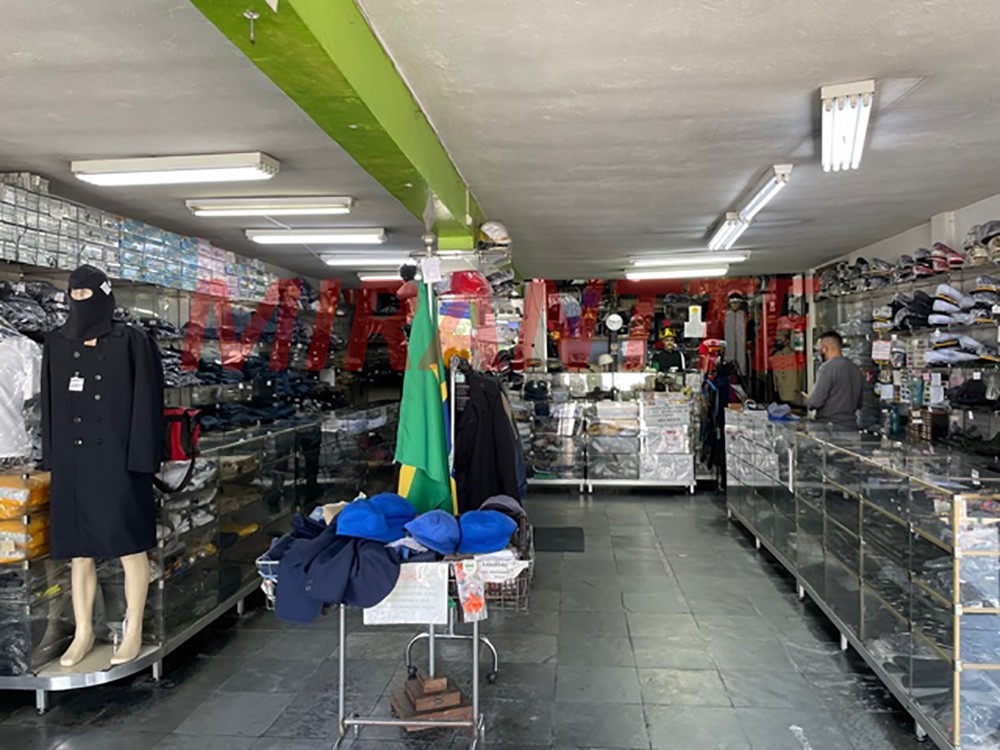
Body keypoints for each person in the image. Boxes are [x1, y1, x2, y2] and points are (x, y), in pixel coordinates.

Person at [804, 331, 864, 430]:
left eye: (819, 349)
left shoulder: (827, 368)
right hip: (851, 426)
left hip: (829, 428)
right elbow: (860, 403)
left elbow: (816, 402)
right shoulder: (855, 368)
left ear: (825, 349)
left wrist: (808, 400)